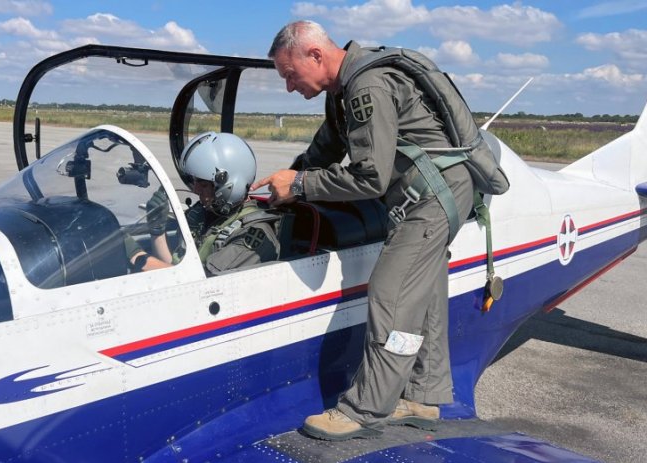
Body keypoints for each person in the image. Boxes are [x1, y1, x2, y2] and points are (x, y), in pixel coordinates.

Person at [251, 21, 475, 440]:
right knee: (423, 292)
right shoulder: (343, 91)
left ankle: (365, 409)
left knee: (392, 295)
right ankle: (423, 396)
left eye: (290, 75)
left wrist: (300, 185)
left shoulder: (366, 85)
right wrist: (287, 184)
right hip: (430, 192)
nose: (289, 87)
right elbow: (326, 148)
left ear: (315, 55)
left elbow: (371, 178)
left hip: (432, 197)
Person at [126, 131, 284, 275]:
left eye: (203, 184)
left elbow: (196, 285)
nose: (195, 190)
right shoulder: (204, 215)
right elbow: (174, 265)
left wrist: (136, 256)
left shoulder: (253, 236)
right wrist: (157, 231)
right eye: (195, 182)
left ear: (231, 186)